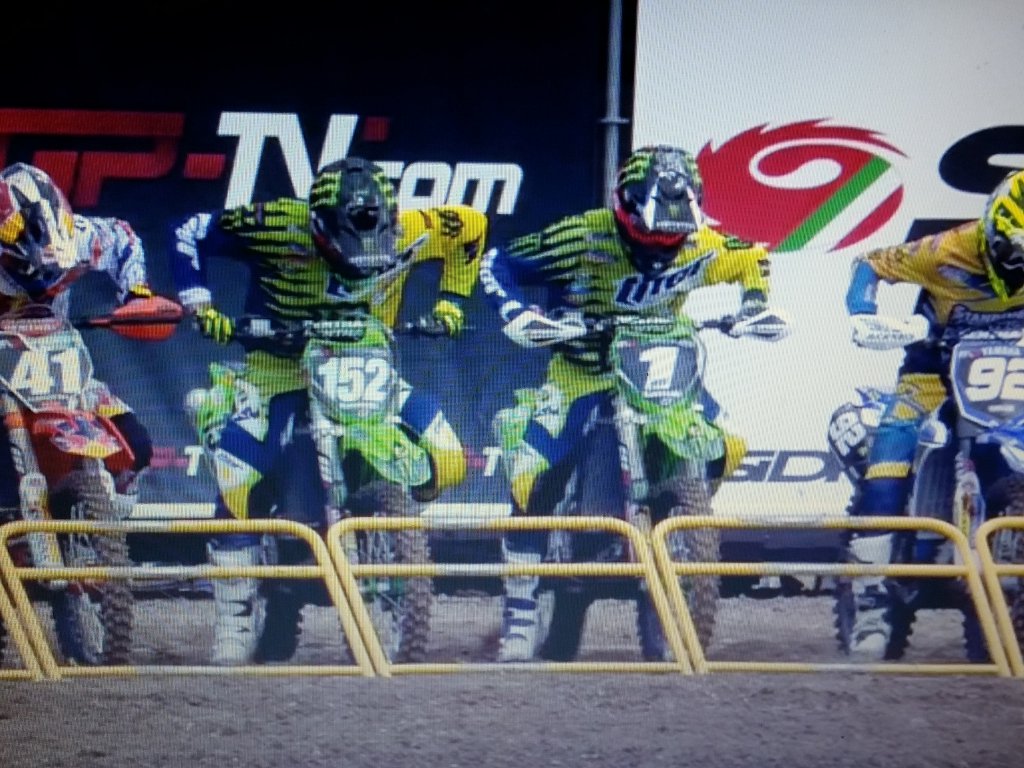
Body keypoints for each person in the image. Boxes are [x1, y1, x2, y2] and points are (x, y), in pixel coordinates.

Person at [170, 156, 488, 665]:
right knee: (241, 480)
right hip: (280, 367)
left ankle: (383, 522)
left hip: (362, 359)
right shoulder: (277, 224)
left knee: (448, 460)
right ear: (320, 226)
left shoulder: (413, 227)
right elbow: (190, 231)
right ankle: (233, 620)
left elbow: (472, 228)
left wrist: (451, 302)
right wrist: (200, 305)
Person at [480, 144, 789, 662]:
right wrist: (516, 312)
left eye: (674, 235)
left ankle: (678, 521)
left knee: (725, 445)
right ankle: (520, 608)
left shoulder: (702, 242)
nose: (663, 246)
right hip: (584, 369)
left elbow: (753, 256)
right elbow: (498, 262)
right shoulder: (582, 236)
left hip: (659, 364)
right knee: (535, 471)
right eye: (653, 235)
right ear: (626, 211)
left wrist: (754, 306)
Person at [842, 167, 1024, 660]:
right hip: (933, 369)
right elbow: (870, 263)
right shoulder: (945, 250)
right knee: (889, 460)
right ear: (994, 232)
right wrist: (863, 312)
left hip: (1013, 375)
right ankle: (872, 603)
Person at [0, 162, 160, 516]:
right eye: (25, 264)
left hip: (58, 369)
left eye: (52, 264)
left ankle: (103, 527)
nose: (41, 274)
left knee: (136, 445)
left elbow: (123, 237)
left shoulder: (81, 236)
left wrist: (136, 294)